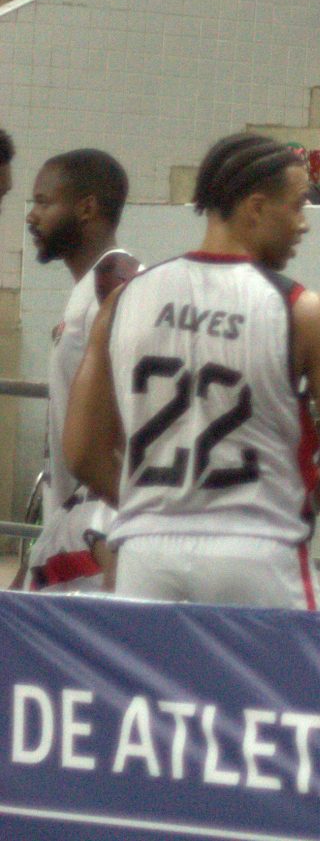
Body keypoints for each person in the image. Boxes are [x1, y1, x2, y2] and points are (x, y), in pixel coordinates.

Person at [66, 133, 320, 608]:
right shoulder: (302, 310)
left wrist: (149, 507)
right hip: (256, 547)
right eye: (297, 206)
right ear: (256, 208)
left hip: (147, 555)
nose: (303, 224)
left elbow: (82, 452)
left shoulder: (123, 301)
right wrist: (299, 501)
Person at [24, 149, 139, 591]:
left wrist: (108, 524)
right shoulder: (90, 288)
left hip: (99, 520)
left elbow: (131, 420)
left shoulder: (117, 282)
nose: (32, 216)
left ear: (86, 208)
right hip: (71, 517)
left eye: (43, 202)